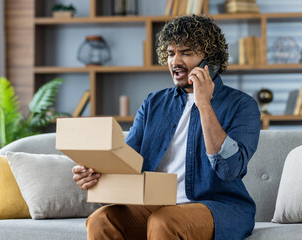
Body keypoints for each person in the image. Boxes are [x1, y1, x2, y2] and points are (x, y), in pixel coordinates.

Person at [72, 14, 261, 240]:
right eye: (171, 53)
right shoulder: (153, 103)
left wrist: (203, 104)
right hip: (157, 204)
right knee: (101, 220)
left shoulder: (241, 105)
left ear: (210, 61)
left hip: (219, 207)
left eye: (186, 53)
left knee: (165, 221)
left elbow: (229, 169)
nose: (175, 61)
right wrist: (96, 174)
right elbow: (129, 162)